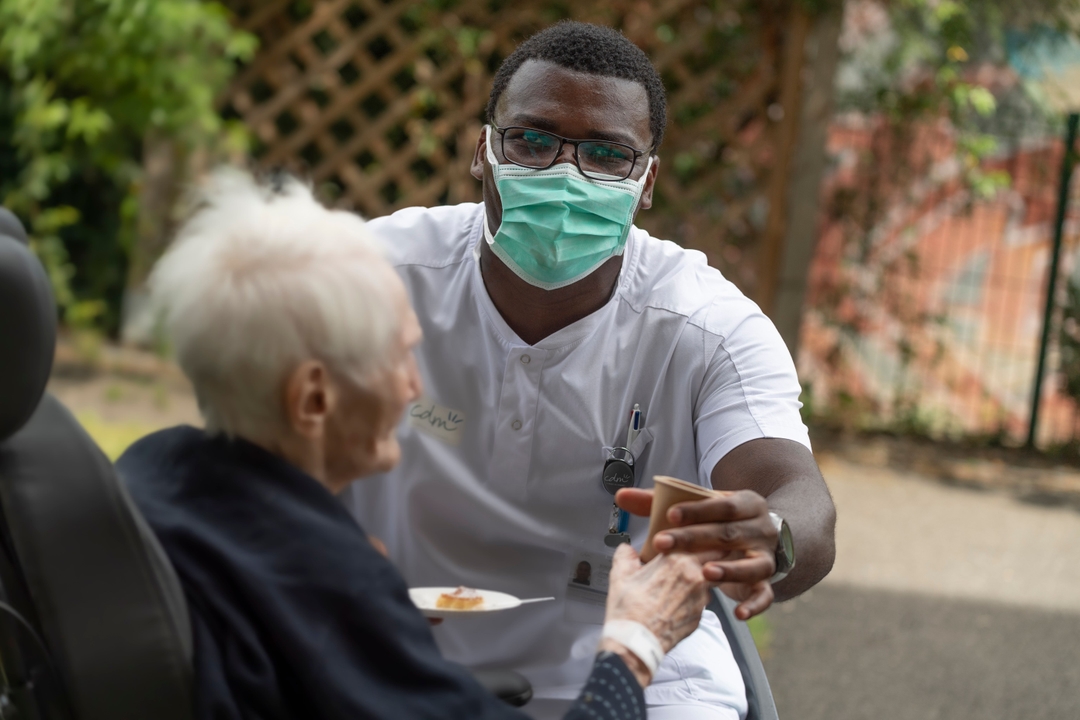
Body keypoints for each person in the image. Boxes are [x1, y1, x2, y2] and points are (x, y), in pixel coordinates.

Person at [343, 21, 837, 720]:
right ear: (482, 151)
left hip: (649, 661)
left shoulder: (708, 328)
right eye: (534, 140)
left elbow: (796, 491)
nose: (567, 177)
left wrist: (773, 538)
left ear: (647, 182)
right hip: (394, 644)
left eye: (608, 155)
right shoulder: (366, 281)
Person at [116, 169, 713, 720]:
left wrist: (377, 620)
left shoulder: (151, 472)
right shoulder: (329, 583)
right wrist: (636, 640)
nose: (414, 387)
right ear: (314, 399)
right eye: (401, 355)